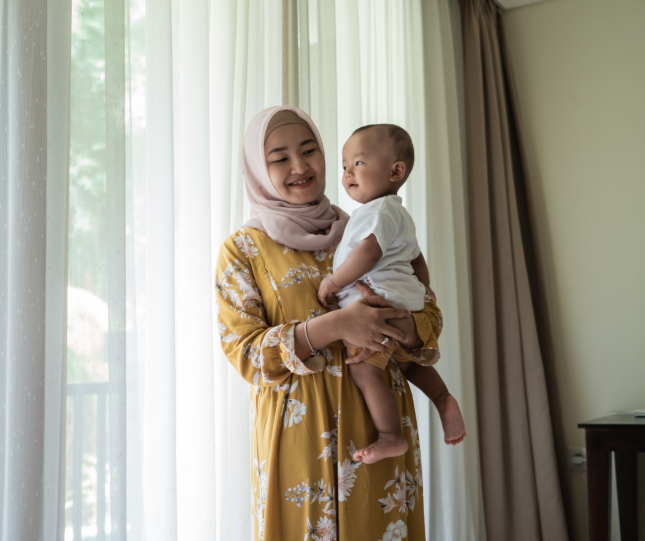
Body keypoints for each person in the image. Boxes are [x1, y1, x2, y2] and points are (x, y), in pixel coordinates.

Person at [216, 106, 446, 541]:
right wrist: (339, 325)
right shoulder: (243, 249)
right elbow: (246, 354)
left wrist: (401, 324)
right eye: (279, 158)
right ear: (258, 169)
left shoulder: (366, 225)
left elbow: (429, 316)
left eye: (310, 151)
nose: (300, 167)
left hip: (380, 434)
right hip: (298, 440)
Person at [317, 124, 466, 465]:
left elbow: (368, 254)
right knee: (407, 363)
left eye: (357, 163)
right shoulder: (397, 215)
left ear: (395, 171)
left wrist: (333, 283)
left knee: (365, 371)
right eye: (344, 166)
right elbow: (416, 258)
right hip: (403, 303)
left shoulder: (379, 212)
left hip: (382, 302)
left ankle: (390, 436)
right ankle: (442, 398)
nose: (347, 173)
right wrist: (424, 289)